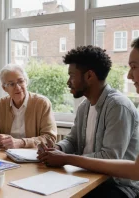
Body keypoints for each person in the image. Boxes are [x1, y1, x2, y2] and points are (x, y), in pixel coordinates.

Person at [38, 45, 139, 198]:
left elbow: (110, 158)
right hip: (88, 178)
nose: (68, 82)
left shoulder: (118, 106)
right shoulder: (84, 106)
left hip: (118, 187)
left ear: (89, 76)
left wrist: (65, 158)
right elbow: (73, 140)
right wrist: (56, 148)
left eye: (72, 75)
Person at [0, 64, 57, 148]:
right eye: (11, 84)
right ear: (4, 88)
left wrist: (21, 142)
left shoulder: (42, 103)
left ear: (26, 82)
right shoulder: (0, 104)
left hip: (33, 155)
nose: (18, 87)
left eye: (20, 81)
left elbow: (50, 138)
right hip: (5, 153)